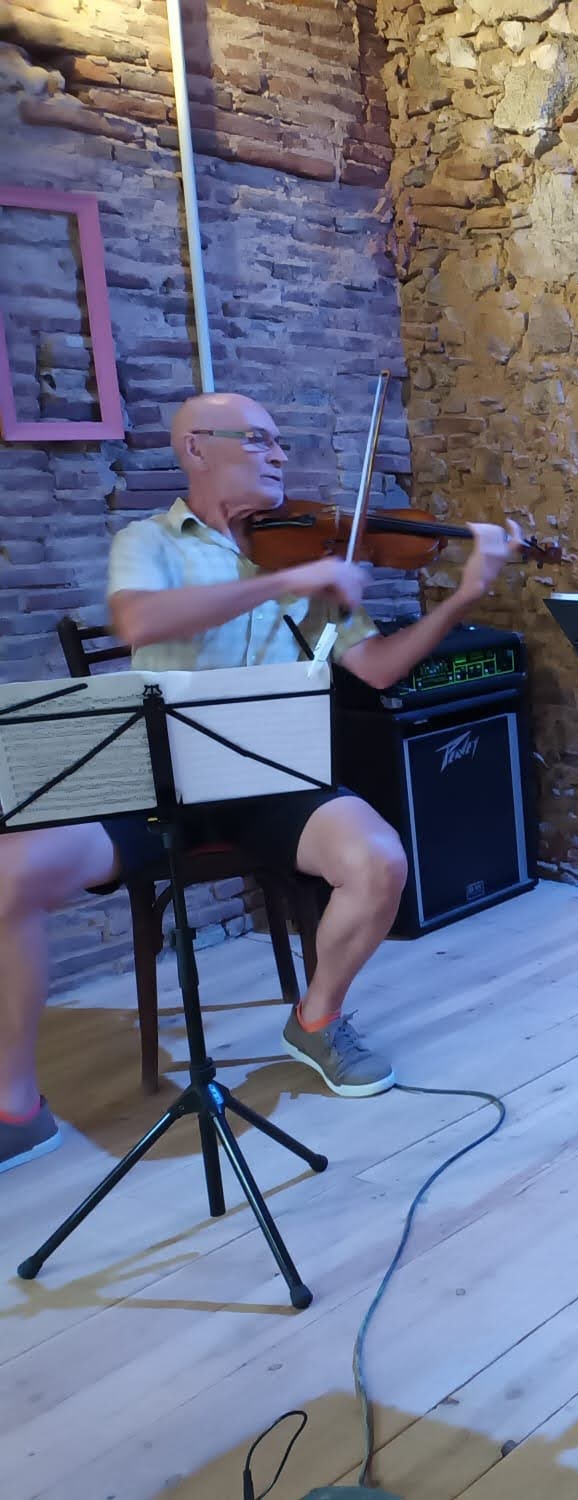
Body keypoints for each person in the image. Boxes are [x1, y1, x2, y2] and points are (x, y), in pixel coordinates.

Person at [0, 391, 522, 1175]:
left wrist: (464, 597)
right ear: (196, 449)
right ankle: (15, 1105)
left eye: (279, 442)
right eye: (259, 440)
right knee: (10, 872)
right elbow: (141, 623)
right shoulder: (150, 542)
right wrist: (286, 581)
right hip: (154, 782)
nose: (280, 454)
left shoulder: (301, 560)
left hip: (270, 780)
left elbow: (379, 669)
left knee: (379, 860)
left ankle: (317, 1020)